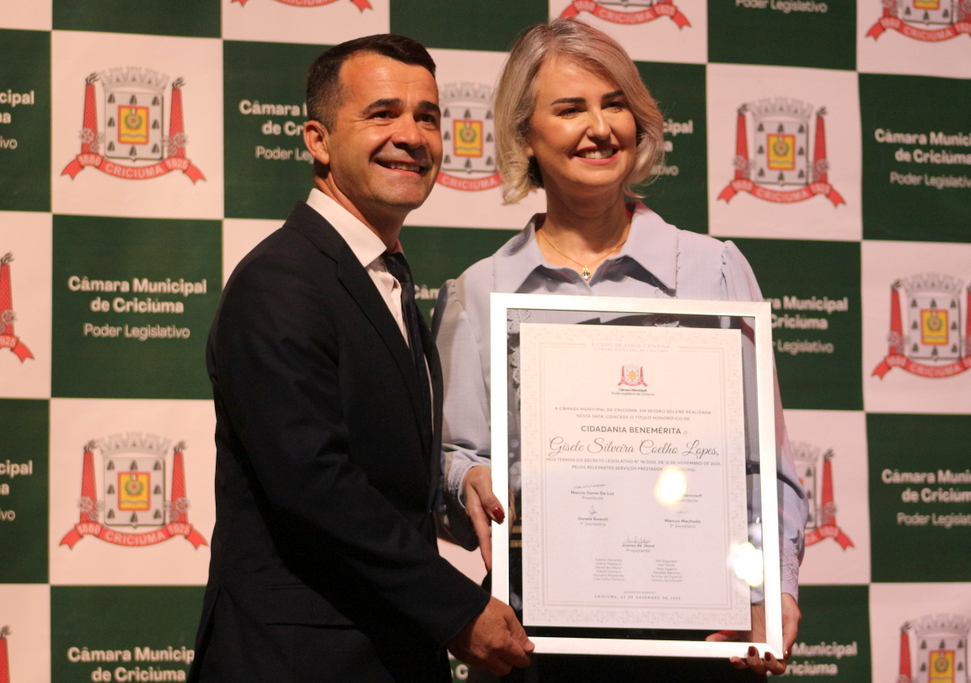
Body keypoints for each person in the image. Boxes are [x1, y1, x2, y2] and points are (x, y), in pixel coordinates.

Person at [433, 19, 808, 680]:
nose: (600, 128)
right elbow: (454, 462)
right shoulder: (482, 291)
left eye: (615, 105)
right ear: (525, 134)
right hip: (539, 643)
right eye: (570, 108)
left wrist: (771, 588)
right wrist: (465, 479)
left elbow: (763, 464)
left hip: (701, 632)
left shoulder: (714, 270)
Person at [189, 34, 533, 683]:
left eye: (427, 117)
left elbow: (385, 469)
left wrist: (458, 484)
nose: (411, 136)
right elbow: (314, 486)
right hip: (299, 664)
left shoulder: (382, 277)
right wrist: (458, 610)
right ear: (318, 140)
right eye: (382, 114)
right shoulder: (281, 280)